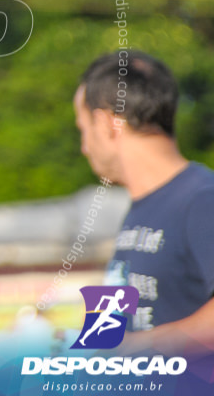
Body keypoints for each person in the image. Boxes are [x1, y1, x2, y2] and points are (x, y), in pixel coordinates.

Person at [75, 51, 214, 354]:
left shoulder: (203, 199)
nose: (84, 147)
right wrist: (80, 348)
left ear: (107, 124)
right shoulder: (143, 208)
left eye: (83, 129)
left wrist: (134, 348)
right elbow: (118, 331)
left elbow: (131, 345)